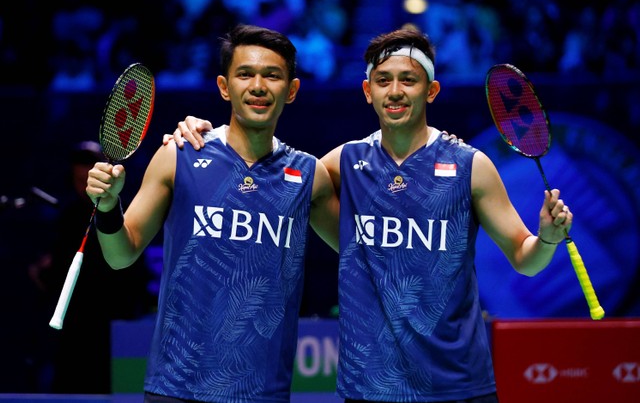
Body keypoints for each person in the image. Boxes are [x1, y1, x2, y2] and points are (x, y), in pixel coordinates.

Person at [169, 27, 572, 403]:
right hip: (369, 387)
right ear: (367, 91)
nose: (395, 92)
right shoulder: (346, 162)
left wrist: (548, 237)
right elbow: (264, 168)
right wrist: (196, 137)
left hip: (457, 385)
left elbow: (525, 257)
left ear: (431, 90)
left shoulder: (471, 165)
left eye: (408, 81)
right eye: (383, 81)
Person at [86, 24, 339, 403]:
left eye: (272, 76)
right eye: (245, 74)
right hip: (177, 387)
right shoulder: (179, 155)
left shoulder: (307, 175)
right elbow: (122, 254)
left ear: (292, 90)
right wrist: (107, 207)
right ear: (224, 86)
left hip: (263, 392)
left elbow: (362, 250)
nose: (258, 86)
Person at [29, 141, 152, 393]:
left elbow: (134, 271)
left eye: (89, 176)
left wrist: (45, 273)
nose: (85, 185)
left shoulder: (124, 212)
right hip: (72, 331)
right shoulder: (69, 216)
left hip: (112, 328)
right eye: (79, 179)